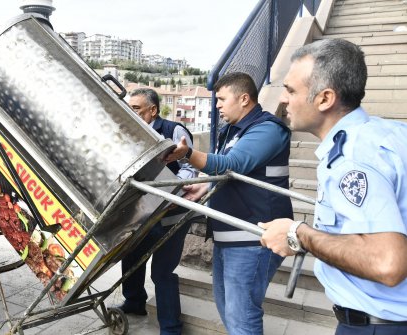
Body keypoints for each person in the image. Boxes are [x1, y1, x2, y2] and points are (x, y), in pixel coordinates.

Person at [259, 38, 407, 334]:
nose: (284, 99)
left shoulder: (352, 158)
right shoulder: (388, 133)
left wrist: (298, 234)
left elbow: (387, 263)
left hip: (377, 325)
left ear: (325, 98)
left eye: (290, 90)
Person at [165, 72, 293, 335]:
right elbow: (229, 177)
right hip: (230, 236)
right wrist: (204, 185)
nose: (217, 105)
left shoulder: (267, 129)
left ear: (244, 98)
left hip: (253, 239)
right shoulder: (232, 131)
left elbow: (232, 165)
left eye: (222, 99)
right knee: (229, 312)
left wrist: (188, 153)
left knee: (242, 317)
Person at [118, 88, 198, 335]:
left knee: (162, 272)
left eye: (136, 110)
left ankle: (171, 328)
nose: (131, 114)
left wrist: (174, 192)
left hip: (170, 212)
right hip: (142, 212)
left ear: (153, 110)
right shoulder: (129, 134)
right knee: (130, 255)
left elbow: (190, 168)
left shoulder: (174, 131)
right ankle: (134, 302)